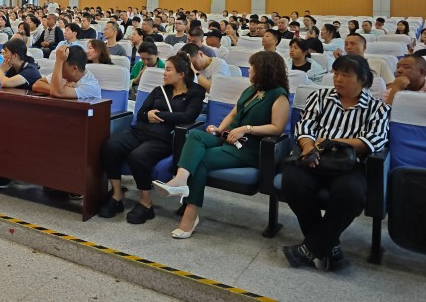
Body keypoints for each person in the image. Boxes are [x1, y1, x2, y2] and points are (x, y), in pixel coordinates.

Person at [153, 51, 290, 239]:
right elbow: (233, 114)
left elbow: (277, 128)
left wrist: (246, 129)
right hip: (228, 136)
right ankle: (181, 180)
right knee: (195, 135)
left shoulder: (279, 96)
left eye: (253, 67)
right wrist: (219, 129)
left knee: (200, 161)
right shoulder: (252, 90)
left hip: (248, 147)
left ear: (265, 70)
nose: (249, 70)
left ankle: (189, 214)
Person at [282, 55, 390, 271]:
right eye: (336, 74)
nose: (338, 79)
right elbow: (305, 126)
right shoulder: (319, 97)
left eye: (346, 75)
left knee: (352, 193)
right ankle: (329, 247)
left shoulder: (377, 108)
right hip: (315, 157)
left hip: (348, 165)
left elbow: (373, 140)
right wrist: (308, 147)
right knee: (292, 181)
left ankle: (310, 248)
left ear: (363, 79)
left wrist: (332, 142)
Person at [99, 53, 206, 223]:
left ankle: (146, 203)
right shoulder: (159, 90)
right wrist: (148, 115)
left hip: (163, 139)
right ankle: (117, 194)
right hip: (139, 132)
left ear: (181, 74)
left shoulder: (196, 93)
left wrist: (159, 115)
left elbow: (188, 116)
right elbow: (141, 113)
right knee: (110, 145)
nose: (164, 73)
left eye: (168, 70)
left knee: (138, 156)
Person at [32, 45, 101, 99]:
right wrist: (57, 88)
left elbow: (57, 93)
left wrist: (59, 61)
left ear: (74, 68)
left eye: (61, 66)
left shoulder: (90, 86)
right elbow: (36, 85)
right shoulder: (65, 74)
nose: (59, 70)